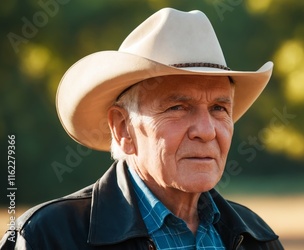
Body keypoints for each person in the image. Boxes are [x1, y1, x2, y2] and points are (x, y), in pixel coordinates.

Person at [1, 8, 283, 250]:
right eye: (178, 108)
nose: (207, 131)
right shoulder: (48, 237)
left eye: (219, 109)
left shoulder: (256, 237)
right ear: (123, 128)